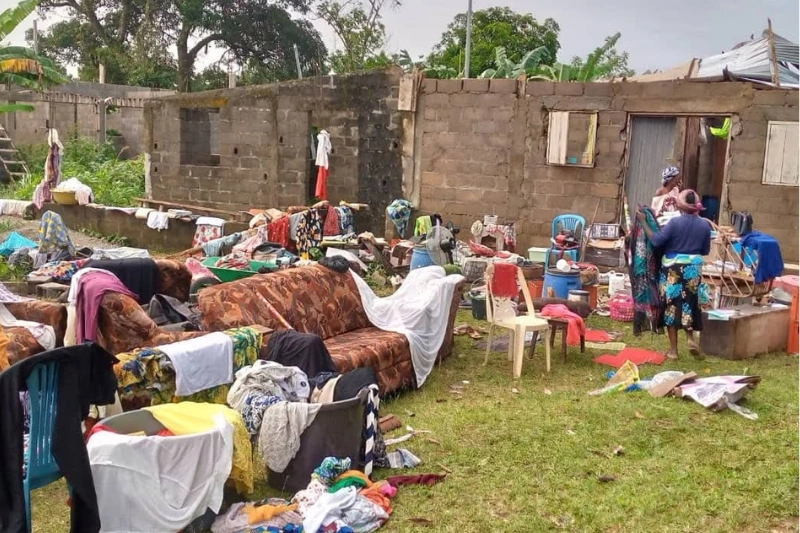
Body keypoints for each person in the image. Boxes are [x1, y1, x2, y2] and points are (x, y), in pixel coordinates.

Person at [637, 189, 711, 359]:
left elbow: (656, 241)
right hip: (693, 268)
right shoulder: (704, 225)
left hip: (673, 269)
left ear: (679, 205)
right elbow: (705, 250)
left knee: (671, 305)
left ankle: (673, 351)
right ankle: (691, 339)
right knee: (690, 303)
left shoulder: (674, 223)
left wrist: (644, 222)